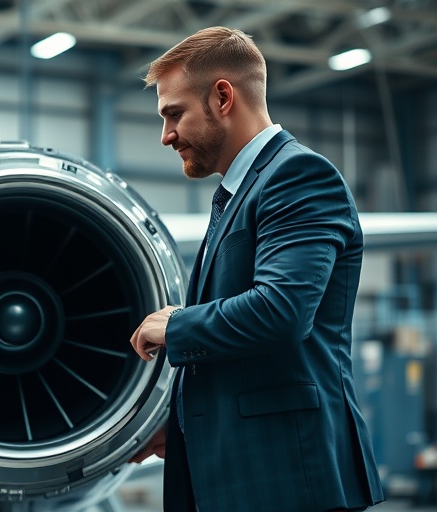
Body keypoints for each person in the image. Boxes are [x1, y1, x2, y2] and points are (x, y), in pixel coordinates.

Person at [128, 27, 384, 511]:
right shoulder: (238, 194)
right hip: (248, 473)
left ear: (222, 96)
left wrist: (176, 324)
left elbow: (282, 311)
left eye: (174, 114)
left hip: (288, 480)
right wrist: (182, 424)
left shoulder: (298, 176)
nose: (166, 136)